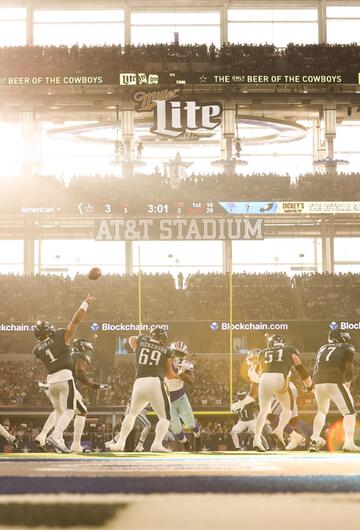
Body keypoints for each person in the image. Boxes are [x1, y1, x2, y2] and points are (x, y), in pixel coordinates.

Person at [32, 294, 95, 453]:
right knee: (69, 410)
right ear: (48, 330)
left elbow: (45, 348)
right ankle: (56, 435)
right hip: (65, 377)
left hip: (50, 381)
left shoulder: (37, 350)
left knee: (59, 411)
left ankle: (47, 436)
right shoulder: (61, 336)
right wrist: (85, 303)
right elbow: (75, 321)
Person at [36, 338, 111, 453]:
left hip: (50, 384)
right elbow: (79, 372)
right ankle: (69, 442)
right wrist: (96, 386)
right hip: (64, 383)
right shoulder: (80, 356)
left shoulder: (68, 355)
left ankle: (42, 436)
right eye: (88, 349)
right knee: (80, 411)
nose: (89, 352)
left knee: (58, 411)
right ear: (83, 347)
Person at [109, 328, 176, 453]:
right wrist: (178, 372)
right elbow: (170, 374)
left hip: (139, 382)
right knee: (165, 417)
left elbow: (131, 340)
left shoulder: (141, 341)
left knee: (132, 414)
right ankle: (156, 444)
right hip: (156, 382)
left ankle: (120, 443)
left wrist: (142, 344)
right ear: (163, 339)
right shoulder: (166, 351)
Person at [253, 334, 313, 452]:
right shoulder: (290, 350)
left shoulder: (263, 352)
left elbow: (257, 372)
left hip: (264, 379)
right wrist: (309, 386)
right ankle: (280, 430)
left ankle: (257, 439)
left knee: (264, 411)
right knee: (287, 409)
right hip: (280, 378)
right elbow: (301, 369)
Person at [310, 329, 359, 452]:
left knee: (321, 411)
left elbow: (316, 366)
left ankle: (315, 439)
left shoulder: (322, 348)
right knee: (350, 413)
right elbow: (349, 366)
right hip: (334, 380)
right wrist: (348, 381)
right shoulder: (347, 347)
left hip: (318, 381)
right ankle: (348, 443)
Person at [166, 341, 201, 451]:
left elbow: (191, 381)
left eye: (180, 353)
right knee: (176, 430)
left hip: (180, 397)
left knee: (191, 424)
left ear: (184, 355)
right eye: (175, 352)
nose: (177, 355)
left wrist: (179, 372)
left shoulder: (185, 364)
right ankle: (186, 443)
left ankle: (198, 438)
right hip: (167, 399)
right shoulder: (164, 361)